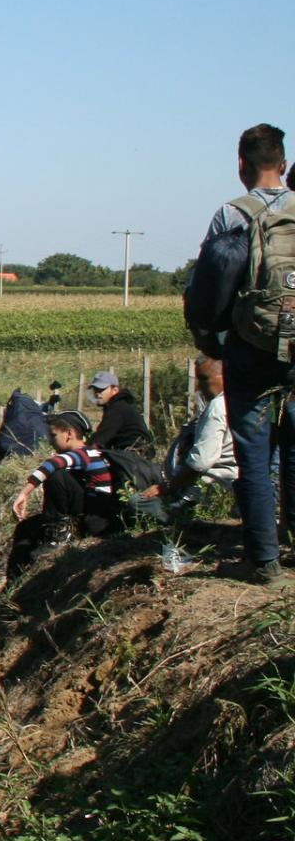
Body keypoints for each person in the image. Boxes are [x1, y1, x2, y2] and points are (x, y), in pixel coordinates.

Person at [186, 123, 293, 581]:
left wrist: (212, 342)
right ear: (284, 164)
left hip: (250, 346)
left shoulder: (231, 215)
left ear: (241, 166)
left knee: (252, 448)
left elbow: (208, 289)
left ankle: (263, 560)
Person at [7, 412, 119, 568]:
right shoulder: (88, 454)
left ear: (69, 434)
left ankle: (59, 534)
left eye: (53, 436)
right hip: (87, 512)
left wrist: (24, 493)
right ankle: (15, 578)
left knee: (56, 474)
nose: (50, 441)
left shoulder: (85, 454)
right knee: (26, 527)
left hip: (94, 518)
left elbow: (52, 464)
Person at [148, 356, 236, 507]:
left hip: (207, 490)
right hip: (223, 487)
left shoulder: (217, 406)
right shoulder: (236, 403)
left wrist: (167, 487)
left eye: (204, 378)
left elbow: (201, 461)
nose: (199, 386)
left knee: (139, 502)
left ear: (223, 376)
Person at [85, 370, 153, 457]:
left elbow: (101, 438)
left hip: (133, 457)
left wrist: (81, 449)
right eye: (95, 390)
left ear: (115, 390)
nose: (97, 394)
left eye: (101, 389)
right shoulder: (119, 406)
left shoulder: (118, 408)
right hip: (133, 455)